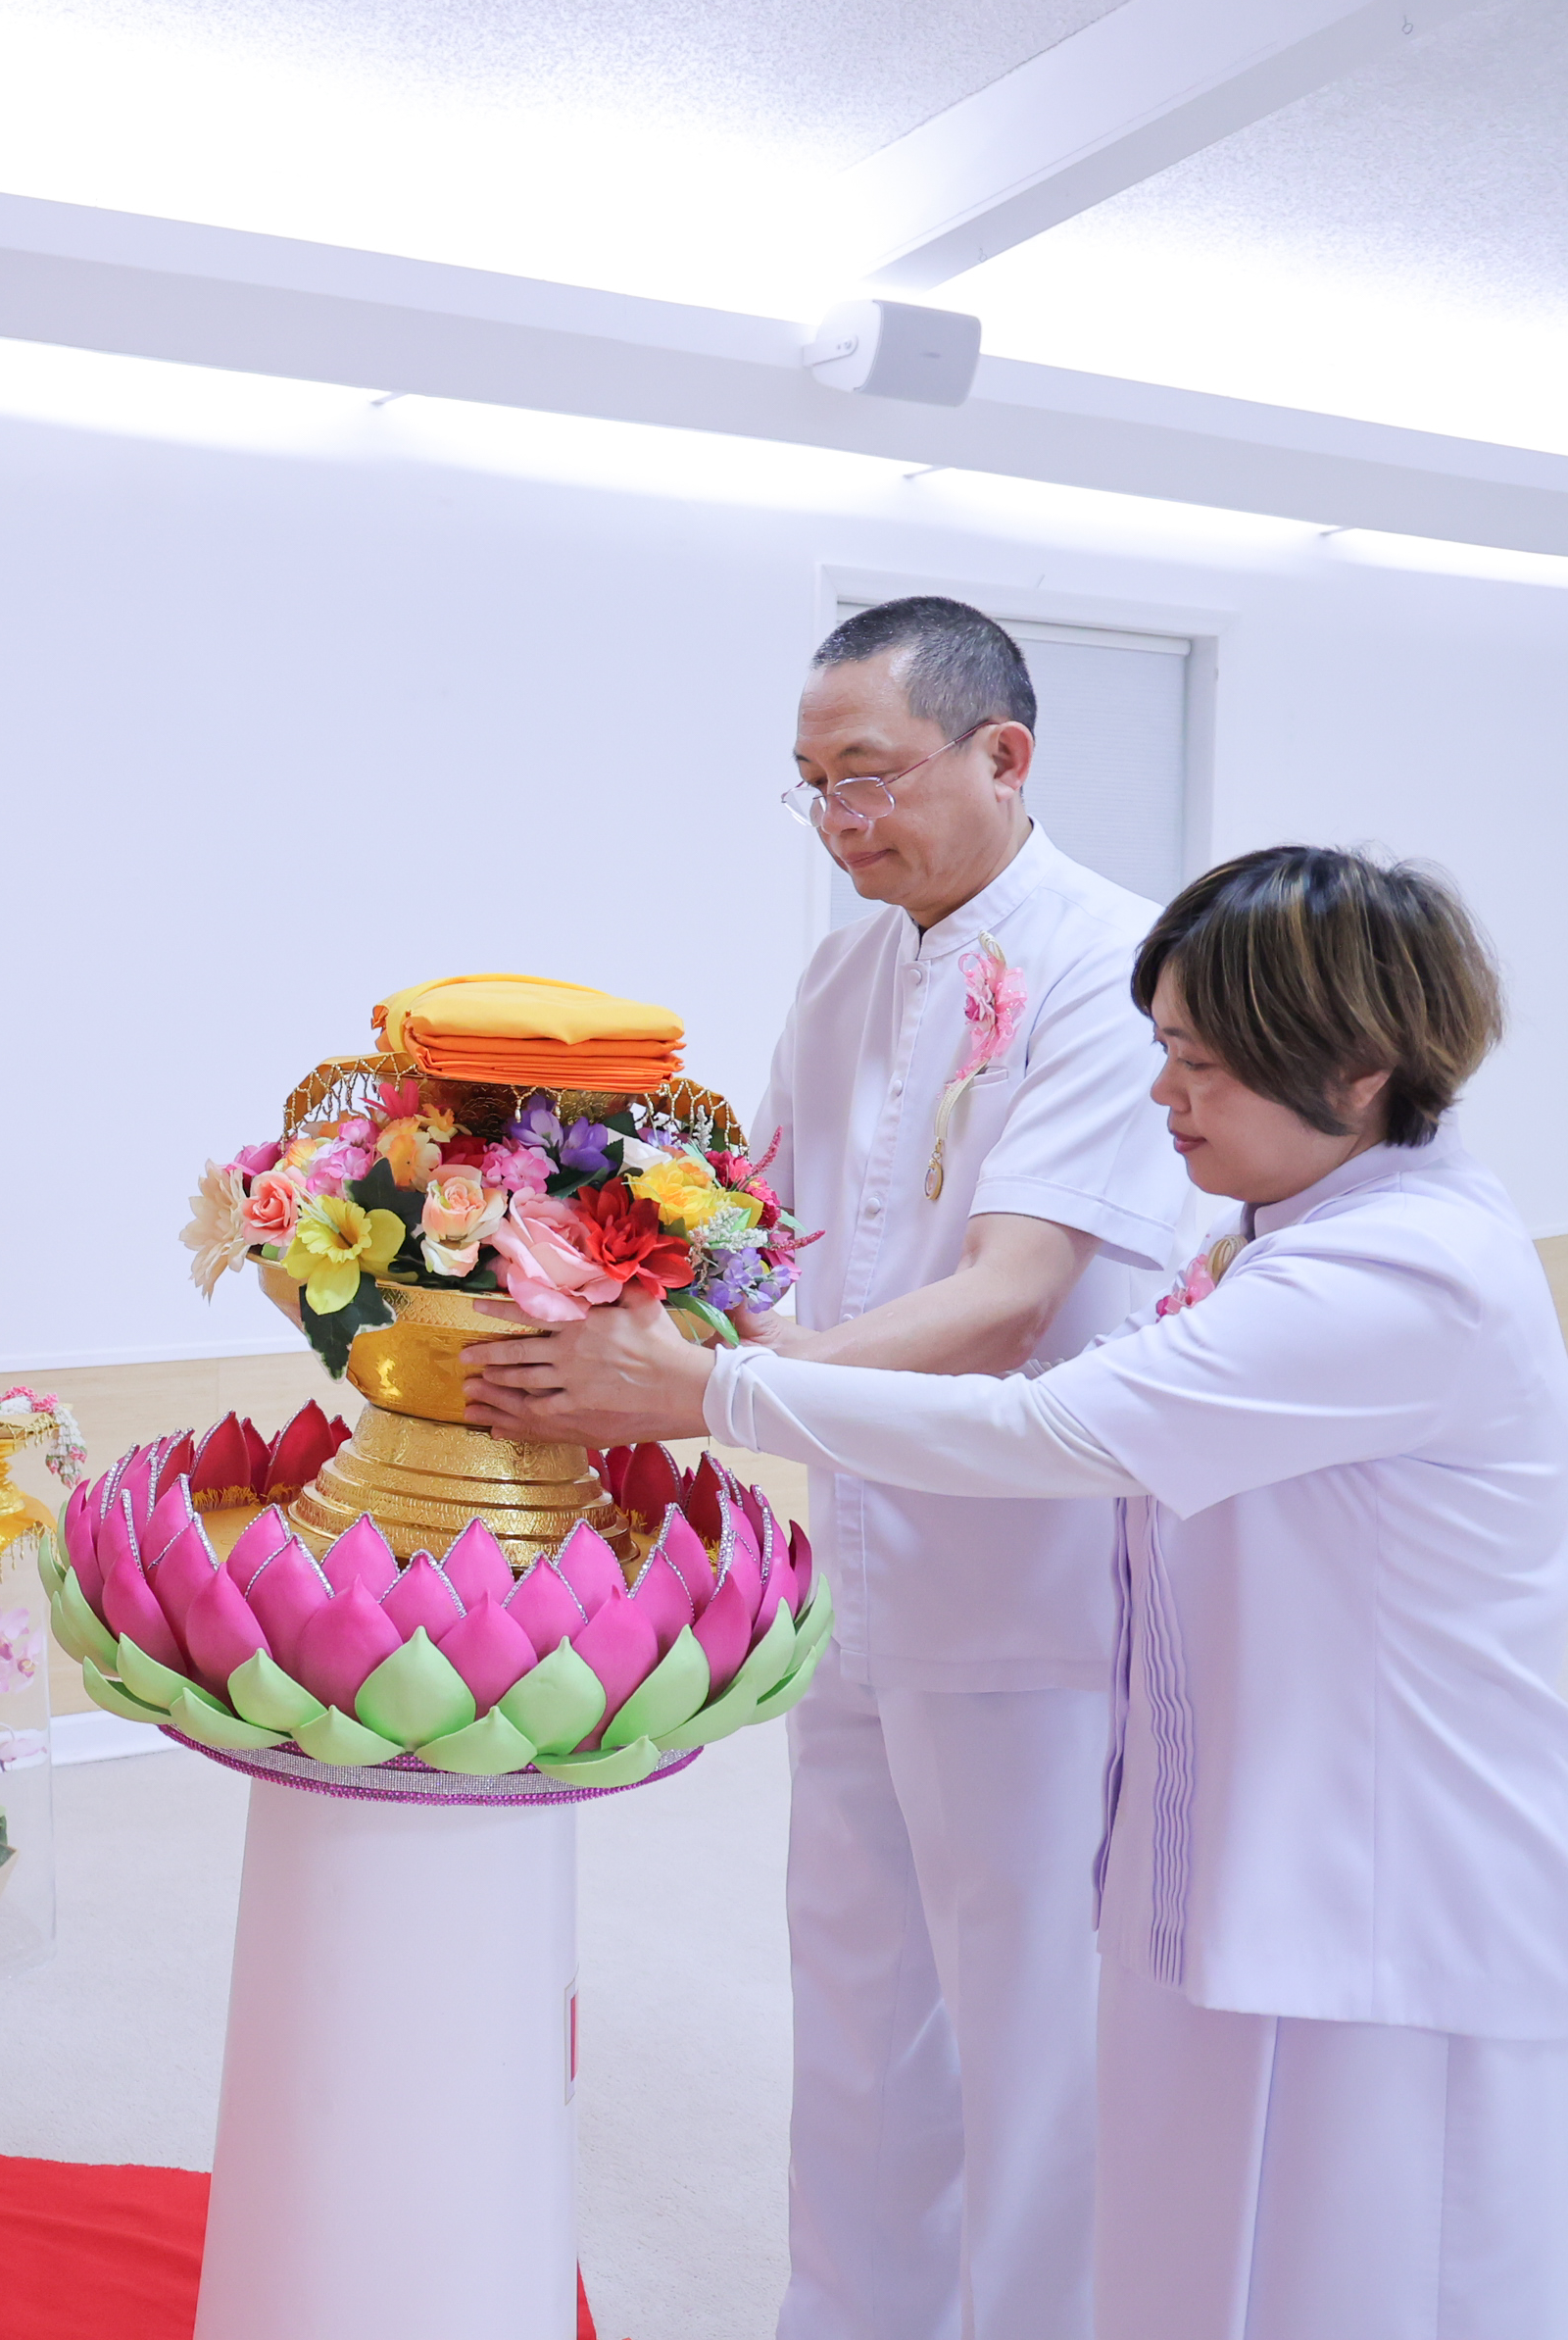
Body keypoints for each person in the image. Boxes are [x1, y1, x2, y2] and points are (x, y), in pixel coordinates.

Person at [471, 846, 1568, 2338]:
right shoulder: (1282, 1232)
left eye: (1201, 1065)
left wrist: (712, 1391)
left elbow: (1058, 1427)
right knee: (1209, 2248)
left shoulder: (1405, 1274)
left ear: (1356, 1072)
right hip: (1267, 1834)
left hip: (1398, 1879)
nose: (1163, 1096)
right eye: (1165, 1050)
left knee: (1382, 2269)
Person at [468, 597, 1195, 2340]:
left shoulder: (1113, 961)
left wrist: (703, 1387)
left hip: (1027, 1581)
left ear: (1003, 756)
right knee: (859, 2000)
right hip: (850, 1561)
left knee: (1029, 2026)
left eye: (867, 776)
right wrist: (572, 1260)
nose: (838, 820)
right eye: (811, 785)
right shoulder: (843, 970)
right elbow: (759, 1237)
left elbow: (1012, 1296)